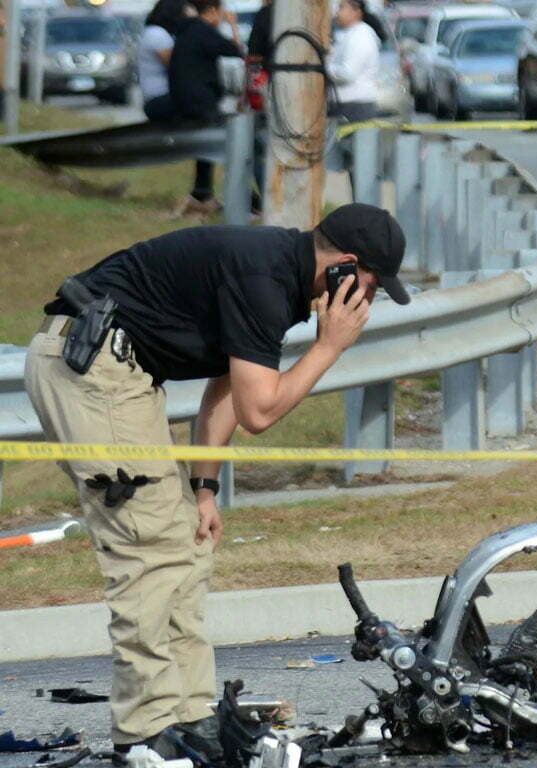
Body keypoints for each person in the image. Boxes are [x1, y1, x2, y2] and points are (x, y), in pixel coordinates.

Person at [23, 204, 410, 760]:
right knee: (149, 549)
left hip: (117, 371)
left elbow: (226, 388)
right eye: (372, 285)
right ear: (346, 266)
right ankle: (146, 730)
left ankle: (189, 715)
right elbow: (259, 409)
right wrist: (330, 346)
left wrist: (204, 488)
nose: (369, 301)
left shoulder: (280, 273)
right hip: (91, 367)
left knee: (188, 543)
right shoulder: (265, 280)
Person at [169, 0, 245, 215]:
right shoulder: (203, 31)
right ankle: (247, 200)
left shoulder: (188, 30)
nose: (222, 16)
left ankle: (202, 192)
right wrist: (232, 26)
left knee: (206, 147)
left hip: (185, 97)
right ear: (211, 11)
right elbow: (235, 50)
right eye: (221, 13)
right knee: (227, 145)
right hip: (200, 98)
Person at [326, 0, 381, 188]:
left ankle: (364, 207)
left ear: (356, 11)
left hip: (356, 107)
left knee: (361, 167)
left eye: (341, 7)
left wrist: (324, 67)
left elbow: (347, 73)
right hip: (344, 106)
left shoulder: (362, 36)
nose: (337, 12)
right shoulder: (347, 34)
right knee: (350, 166)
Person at [138, 0, 195, 122]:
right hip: (160, 97)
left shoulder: (157, 33)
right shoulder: (157, 34)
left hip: (161, 97)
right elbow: (177, 65)